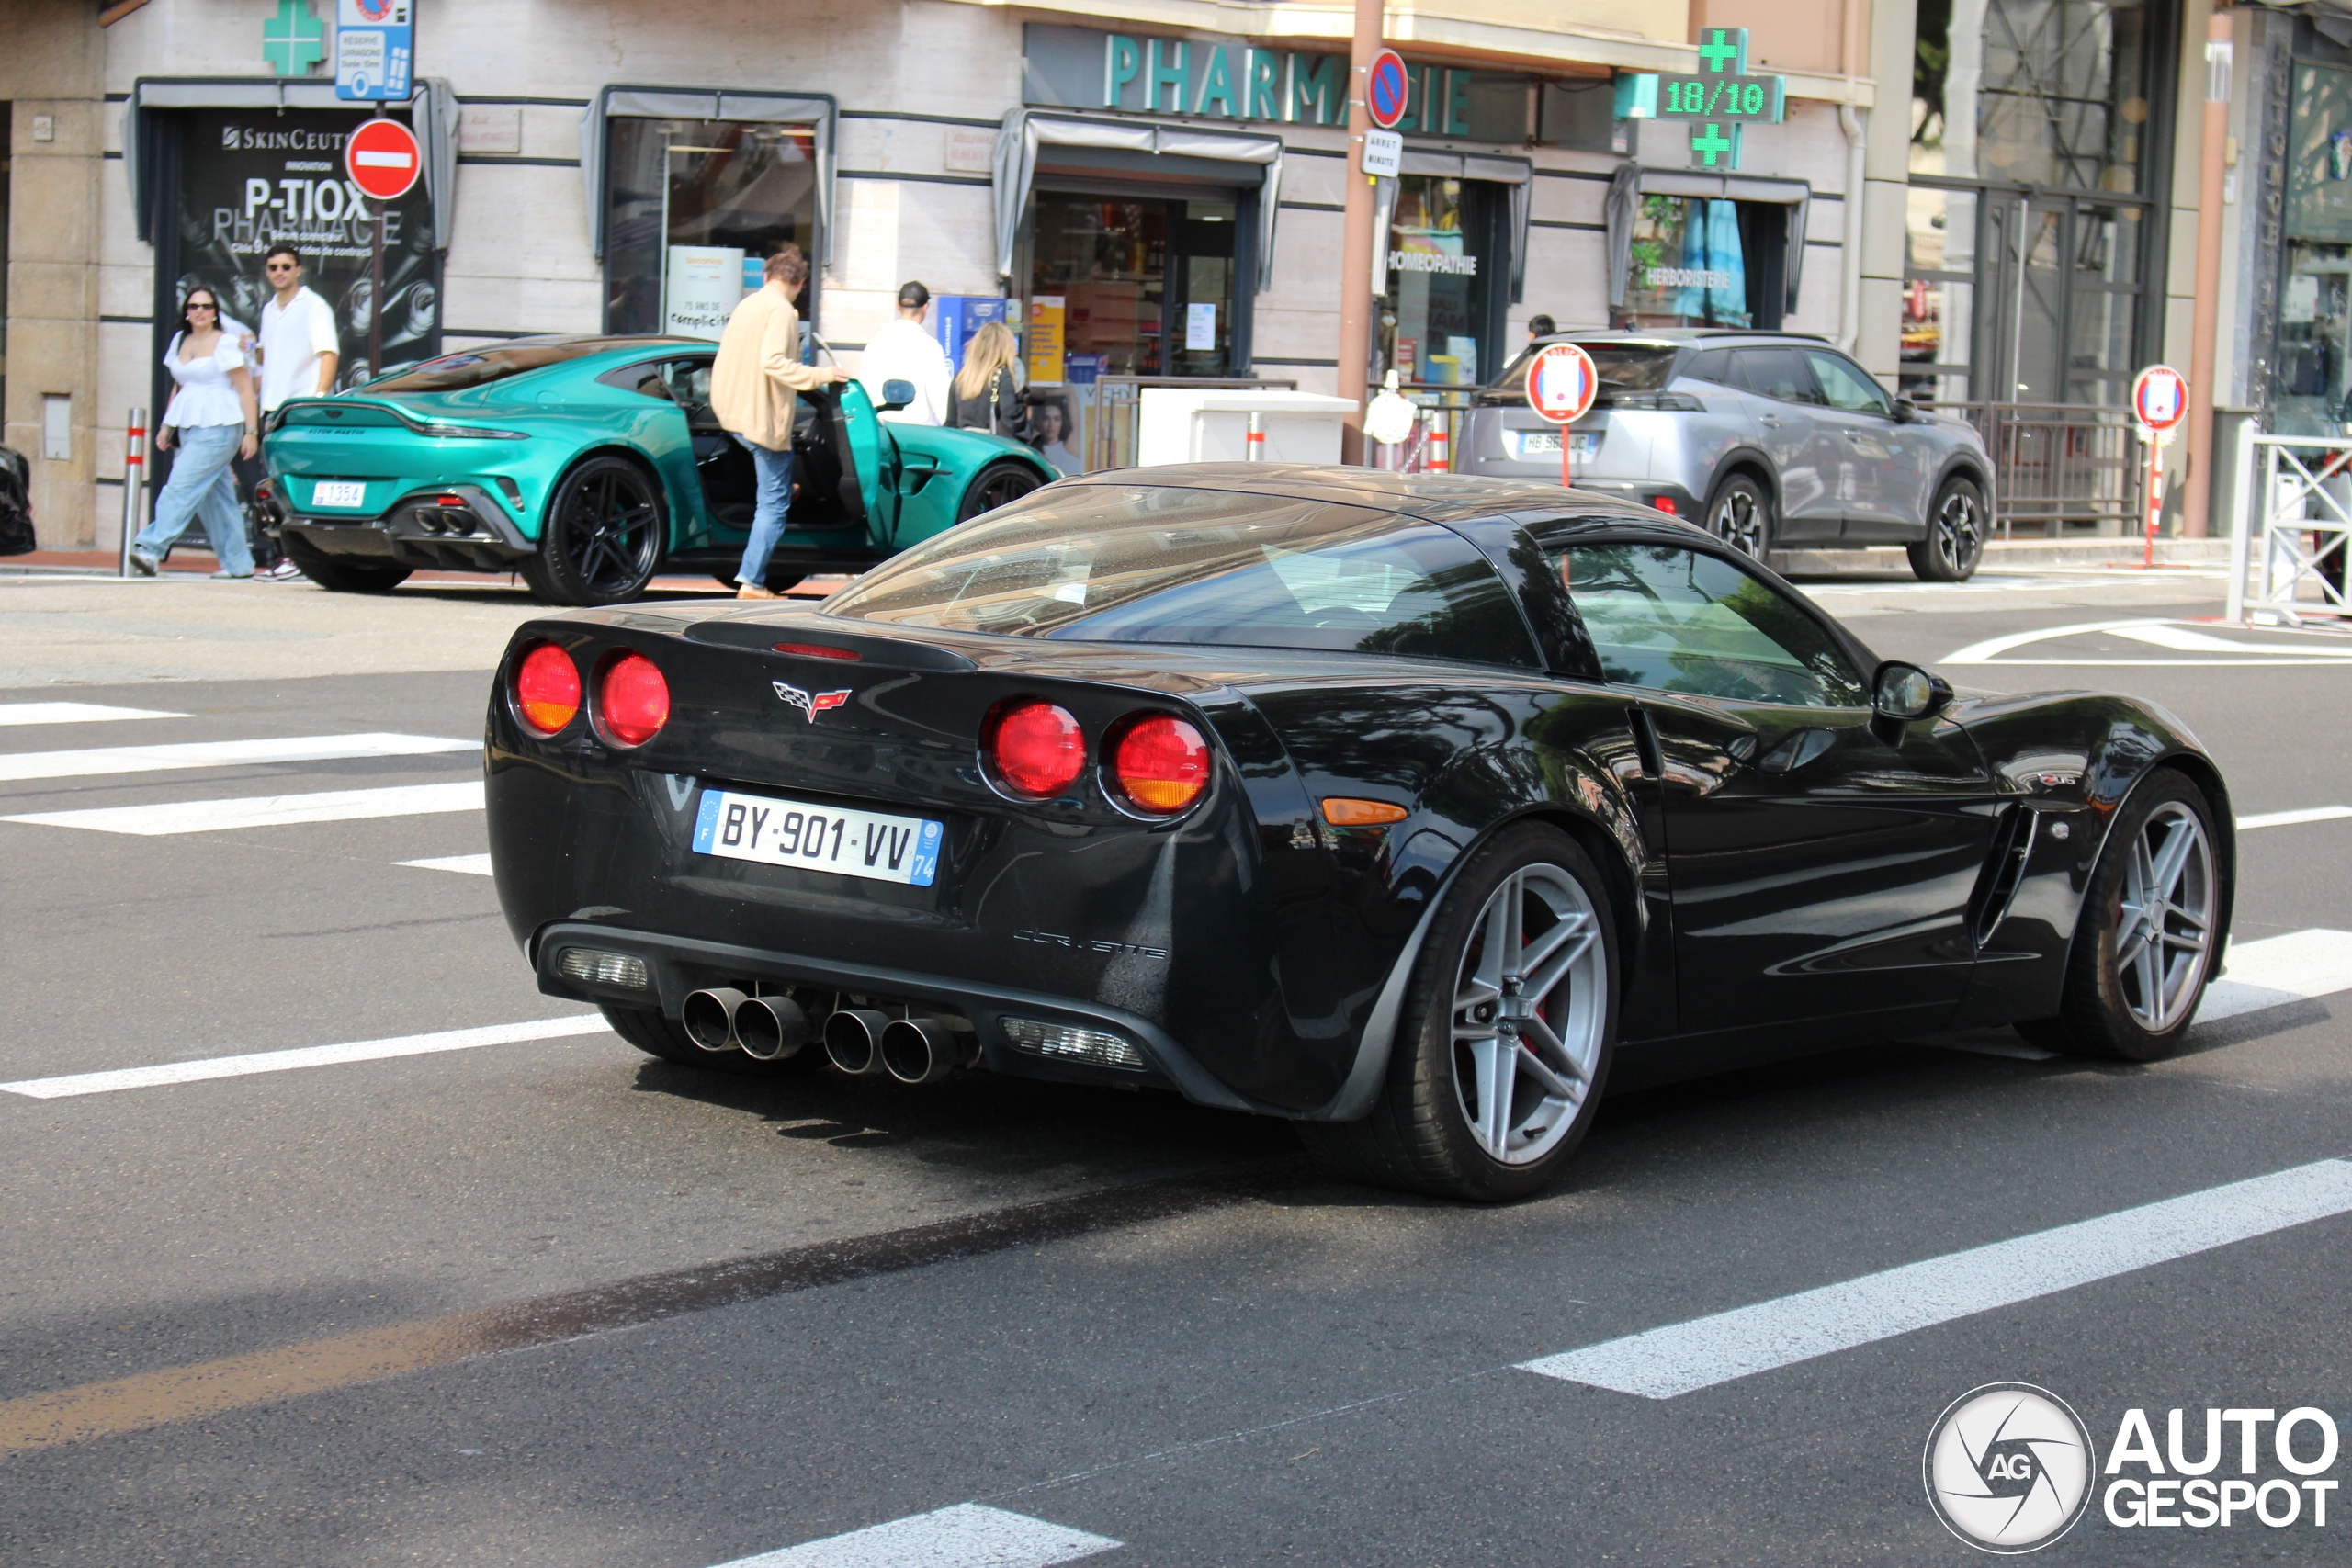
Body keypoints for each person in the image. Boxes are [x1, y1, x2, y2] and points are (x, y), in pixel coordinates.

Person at [710, 245, 849, 600]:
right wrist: (823, 375)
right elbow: (773, 362)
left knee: (777, 480)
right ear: (800, 284)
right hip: (760, 419)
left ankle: (788, 489)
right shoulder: (782, 311)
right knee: (773, 505)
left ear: (766, 276)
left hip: (733, 413)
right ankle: (752, 582)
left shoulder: (748, 304)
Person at [129, 287, 258, 579]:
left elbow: (245, 389)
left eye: (206, 306)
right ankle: (239, 564)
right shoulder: (179, 340)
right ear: (186, 312)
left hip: (220, 426)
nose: (200, 311)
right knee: (216, 499)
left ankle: (150, 548)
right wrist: (167, 425)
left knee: (180, 487)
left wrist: (251, 432)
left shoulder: (225, 342)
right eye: (194, 306)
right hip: (188, 425)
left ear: (215, 312)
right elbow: (180, 386)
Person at [251, 245, 341, 580]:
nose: (279, 272)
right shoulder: (268, 310)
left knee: (301, 484)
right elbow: (266, 357)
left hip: (302, 410)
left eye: (286, 266)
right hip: (272, 409)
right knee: (276, 485)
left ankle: (301, 558)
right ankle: (285, 557)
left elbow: (328, 353)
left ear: (298, 270)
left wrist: (318, 397)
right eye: (273, 267)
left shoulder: (314, 306)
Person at [857, 280, 953, 426]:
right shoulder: (929, 346)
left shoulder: (876, 343)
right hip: (917, 430)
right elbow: (941, 397)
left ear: (898, 306)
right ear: (925, 307)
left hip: (881, 426)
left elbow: (865, 388)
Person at [948, 320, 1028, 439]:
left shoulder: (961, 377)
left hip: (963, 443)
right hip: (989, 444)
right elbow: (1010, 418)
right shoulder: (1003, 376)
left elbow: (951, 422)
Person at [1027, 394, 1080, 476]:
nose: (1051, 424)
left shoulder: (1071, 460)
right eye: (1046, 418)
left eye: (1056, 419)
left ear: (1062, 422)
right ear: (1039, 421)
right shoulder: (1031, 453)